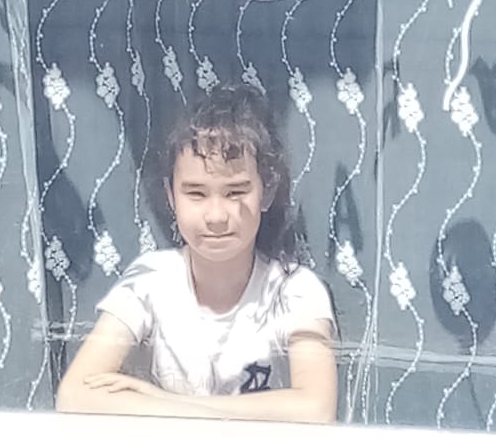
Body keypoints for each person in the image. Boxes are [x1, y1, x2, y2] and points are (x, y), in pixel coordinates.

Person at [56, 84, 338, 422]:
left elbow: (316, 408)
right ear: (171, 196)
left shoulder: (295, 290)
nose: (216, 216)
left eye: (235, 192)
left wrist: (167, 403)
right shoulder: (150, 280)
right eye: (196, 194)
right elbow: (74, 395)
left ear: (266, 192)